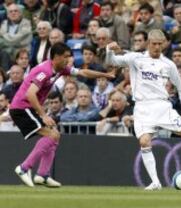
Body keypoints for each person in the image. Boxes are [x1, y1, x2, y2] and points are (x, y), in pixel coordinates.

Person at [105, 29, 181, 191]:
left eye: (160, 44)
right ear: (148, 43)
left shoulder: (169, 64)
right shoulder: (135, 58)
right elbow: (113, 62)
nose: (157, 47)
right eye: (154, 44)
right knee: (144, 141)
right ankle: (155, 182)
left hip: (162, 106)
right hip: (142, 107)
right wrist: (108, 50)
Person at [9, 42, 115, 188]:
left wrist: (105, 75)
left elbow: (83, 72)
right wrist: (44, 115)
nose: (68, 60)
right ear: (56, 57)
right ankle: (24, 168)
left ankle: (43, 175)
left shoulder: (60, 69)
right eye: (66, 57)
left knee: (55, 135)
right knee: (51, 135)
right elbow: (30, 93)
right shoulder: (44, 71)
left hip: (29, 108)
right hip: (22, 108)